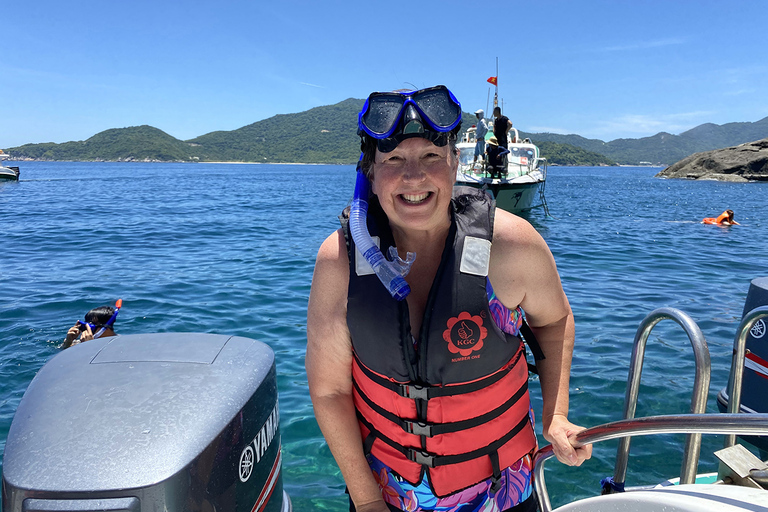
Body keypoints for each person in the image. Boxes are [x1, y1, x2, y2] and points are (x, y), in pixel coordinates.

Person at [306, 85, 591, 512]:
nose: (413, 176)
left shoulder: (510, 246)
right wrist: (366, 500)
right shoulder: (340, 262)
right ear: (369, 171)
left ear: (455, 162)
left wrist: (556, 414)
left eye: (431, 158)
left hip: (503, 495)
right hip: (384, 499)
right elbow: (329, 391)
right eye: (394, 160)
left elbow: (553, 320)